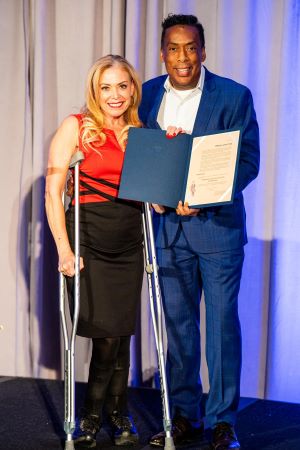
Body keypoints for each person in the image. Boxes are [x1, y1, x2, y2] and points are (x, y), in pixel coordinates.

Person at [139, 14, 260, 450]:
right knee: (180, 329)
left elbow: (248, 160)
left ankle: (224, 421)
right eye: (174, 48)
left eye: (191, 47)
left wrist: (205, 195)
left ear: (203, 51)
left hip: (218, 231)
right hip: (168, 230)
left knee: (223, 328)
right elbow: (142, 155)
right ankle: (184, 417)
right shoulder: (148, 94)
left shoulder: (233, 95)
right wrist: (152, 192)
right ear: (163, 53)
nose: (183, 57)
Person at [45, 55, 144, 448]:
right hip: (89, 238)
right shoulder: (76, 127)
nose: (114, 95)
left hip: (129, 240)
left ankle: (119, 416)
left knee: (123, 334)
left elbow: (154, 198)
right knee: (105, 335)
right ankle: (92, 414)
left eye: (122, 86)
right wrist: (63, 249)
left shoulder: (138, 132)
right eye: (106, 87)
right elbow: (53, 193)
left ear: (132, 89)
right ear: (95, 91)